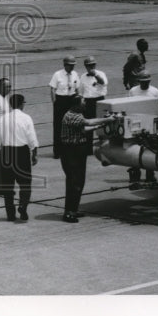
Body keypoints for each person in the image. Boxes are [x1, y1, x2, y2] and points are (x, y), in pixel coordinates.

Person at [59, 93, 113, 222]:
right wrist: (108, 120)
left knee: (78, 181)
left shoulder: (76, 114)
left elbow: (83, 129)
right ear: (76, 105)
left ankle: (73, 209)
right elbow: (87, 122)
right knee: (75, 182)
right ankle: (69, 212)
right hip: (72, 152)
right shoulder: (72, 116)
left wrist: (98, 127)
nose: (85, 104)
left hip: (76, 150)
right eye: (83, 102)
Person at [0, 93, 39, 222]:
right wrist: (34, 153)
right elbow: (31, 138)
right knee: (25, 184)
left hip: (6, 153)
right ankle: (23, 206)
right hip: (22, 152)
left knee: (8, 186)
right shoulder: (26, 118)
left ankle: (10, 214)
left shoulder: (3, 119)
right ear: (21, 104)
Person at [127, 70, 158, 188]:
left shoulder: (155, 91)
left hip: (150, 123)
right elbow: (128, 106)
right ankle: (135, 175)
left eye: (147, 82)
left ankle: (150, 175)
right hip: (136, 123)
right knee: (134, 149)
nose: (145, 84)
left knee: (150, 148)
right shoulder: (133, 91)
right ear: (138, 81)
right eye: (143, 82)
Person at [48, 56, 81, 158]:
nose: (72, 67)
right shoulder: (57, 74)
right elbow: (52, 89)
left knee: (72, 124)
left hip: (71, 99)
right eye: (70, 65)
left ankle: (70, 150)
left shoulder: (75, 74)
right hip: (61, 100)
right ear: (65, 65)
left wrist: (78, 101)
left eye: (73, 65)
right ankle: (58, 151)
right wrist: (55, 102)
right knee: (58, 125)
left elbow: (77, 89)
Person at [79, 56, 108, 155]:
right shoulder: (83, 76)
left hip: (99, 100)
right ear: (85, 66)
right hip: (88, 102)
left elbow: (102, 82)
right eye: (89, 66)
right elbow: (81, 91)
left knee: (102, 124)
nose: (91, 67)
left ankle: (104, 148)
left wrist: (95, 74)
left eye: (92, 65)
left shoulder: (100, 74)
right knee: (88, 124)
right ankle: (88, 149)